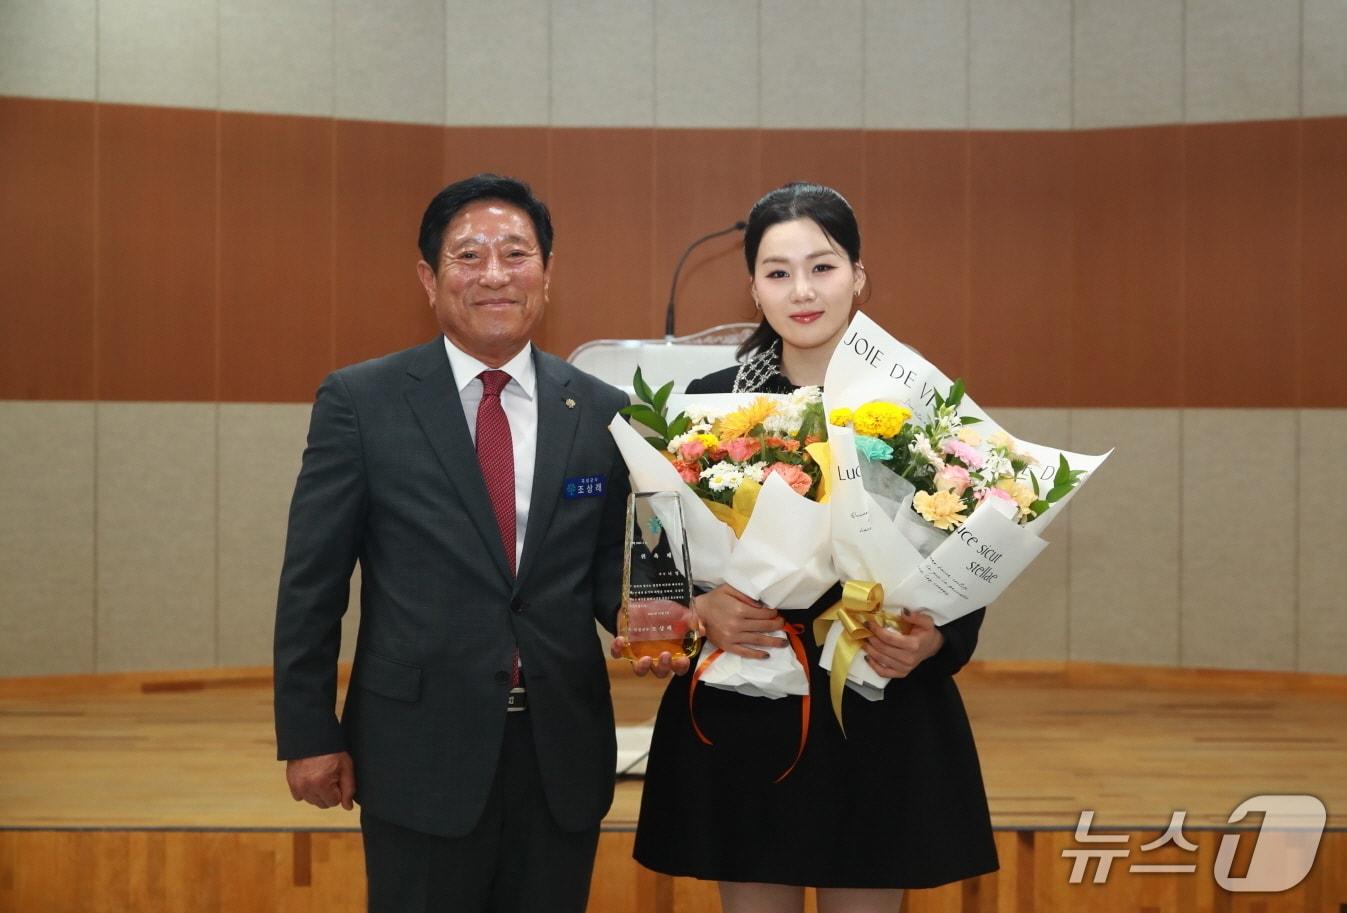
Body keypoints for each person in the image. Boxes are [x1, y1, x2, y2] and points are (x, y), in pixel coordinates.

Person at [273, 174, 651, 913]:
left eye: (516, 253)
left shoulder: (599, 408)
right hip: (417, 749)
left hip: (560, 750)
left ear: (546, 271)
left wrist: (645, 618)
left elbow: (604, 561)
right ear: (428, 276)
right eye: (468, 255)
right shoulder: (362, 401)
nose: (494, 275)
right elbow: (312, 581)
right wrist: (308, 730)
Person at [627, 183, 998, 913]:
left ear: (858, 275)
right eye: (777, 271)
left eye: (821, 267)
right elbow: (652, 556)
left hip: (875, 703)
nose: (801, 290)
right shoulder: (705, 405)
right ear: (752, 288)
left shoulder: (920, 405)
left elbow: (974, 551)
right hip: (746, 696)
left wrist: (931, 640)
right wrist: (697, 609)